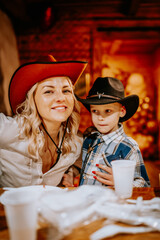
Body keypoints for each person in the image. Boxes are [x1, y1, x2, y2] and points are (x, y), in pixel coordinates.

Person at [0, 55, 87, 187]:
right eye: (48, 91)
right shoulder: (10, 129)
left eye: (66, 90)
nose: (60, 98)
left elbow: (83, 160)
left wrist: (70, 173)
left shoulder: (76, 142)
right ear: (32, 100)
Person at [76, 77, 150, 187]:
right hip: (86, 202)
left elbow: (144, 184)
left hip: (110, 202)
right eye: (95, 111)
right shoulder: (89, 139)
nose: (100, 117)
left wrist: (122, 182)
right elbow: (80, 166)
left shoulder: (129, 147)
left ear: (122, 111)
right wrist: (71, 174)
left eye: (108, 111)